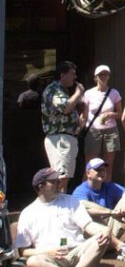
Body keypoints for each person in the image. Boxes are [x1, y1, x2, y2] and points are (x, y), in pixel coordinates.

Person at [15, 166, 107, 267]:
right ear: (41, 186)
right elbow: (23, 252)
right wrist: (50, 251)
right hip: (51, 260)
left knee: (101, 238)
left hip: (77, 254)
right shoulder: (28, 213)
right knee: (33, 262)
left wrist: (102, 232)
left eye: (59, 180)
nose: (59, 183)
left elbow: (88, 225)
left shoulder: (70, 200)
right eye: (54, 181)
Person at [72, 158, 125, 263]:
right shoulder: (80, 190)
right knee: (88, 212)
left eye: (103, 170)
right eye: (98, 170)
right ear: (88, 173)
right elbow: (83, 208)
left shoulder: (109, 186)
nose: (102, 172)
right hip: (94, 239)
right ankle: (122, 248)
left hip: (110, 232)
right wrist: (111, 212)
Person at [40, 60, 84, 191]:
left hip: (66, 138)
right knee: (61, 176)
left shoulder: (62, 91)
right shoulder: (54, 89)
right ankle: (56, 204)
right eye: (72, 74)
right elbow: (65, 107)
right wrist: (78, 93)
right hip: (60, 139)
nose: (75, 77)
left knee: (65, 176)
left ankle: (61, 202)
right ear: (62, 75)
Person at [81, 65, 122, 180]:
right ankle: (85, 192)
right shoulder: (88, 93)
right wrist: (78, 128)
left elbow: (120, 114)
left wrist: (112, 114)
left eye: (106, 74)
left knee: (108, 166)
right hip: (93, 130)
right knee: (90, 165)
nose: (104, 77)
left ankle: (106, 192)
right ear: (95, 78)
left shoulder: (114, 93)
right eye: (101, 75)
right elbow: (84, 115)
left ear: (109, 76)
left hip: (111, 131)